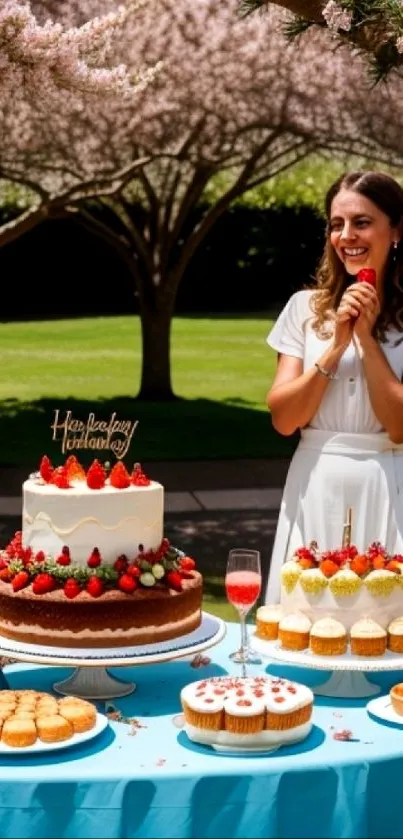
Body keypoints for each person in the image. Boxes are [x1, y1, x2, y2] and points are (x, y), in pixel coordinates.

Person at [265, 170, 403, 605]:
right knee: (306, 622)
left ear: (396, 231)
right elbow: (285, 419)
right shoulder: (303, 309)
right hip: (315, 483)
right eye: (336, 224)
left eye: (362, 222)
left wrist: (365, 339)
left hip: (392, 487)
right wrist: (335, 345)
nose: (346, 236)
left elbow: (399, 427)